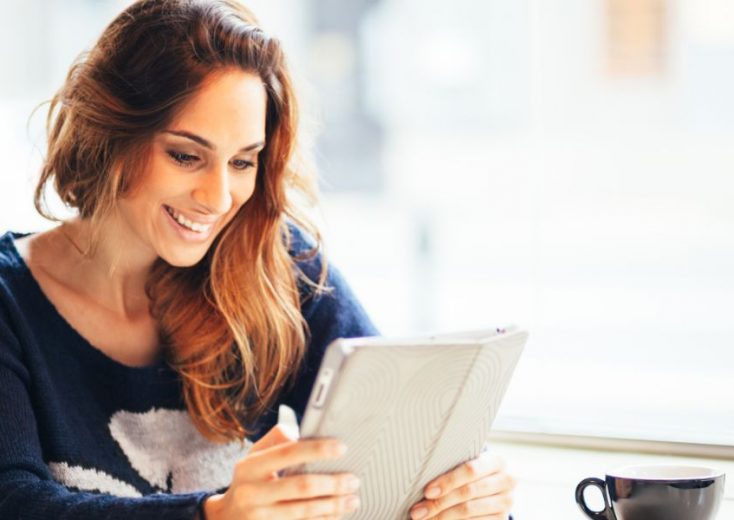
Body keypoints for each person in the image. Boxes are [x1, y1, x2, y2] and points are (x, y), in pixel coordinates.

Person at [0, 1, 516, 519]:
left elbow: (402, 433)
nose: (219, 197)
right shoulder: (10, 304)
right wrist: (215, 514)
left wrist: (465, 488)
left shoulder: (276, 266)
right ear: (110, 133)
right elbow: (14, 502)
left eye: (243, 161)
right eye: (185, 155)